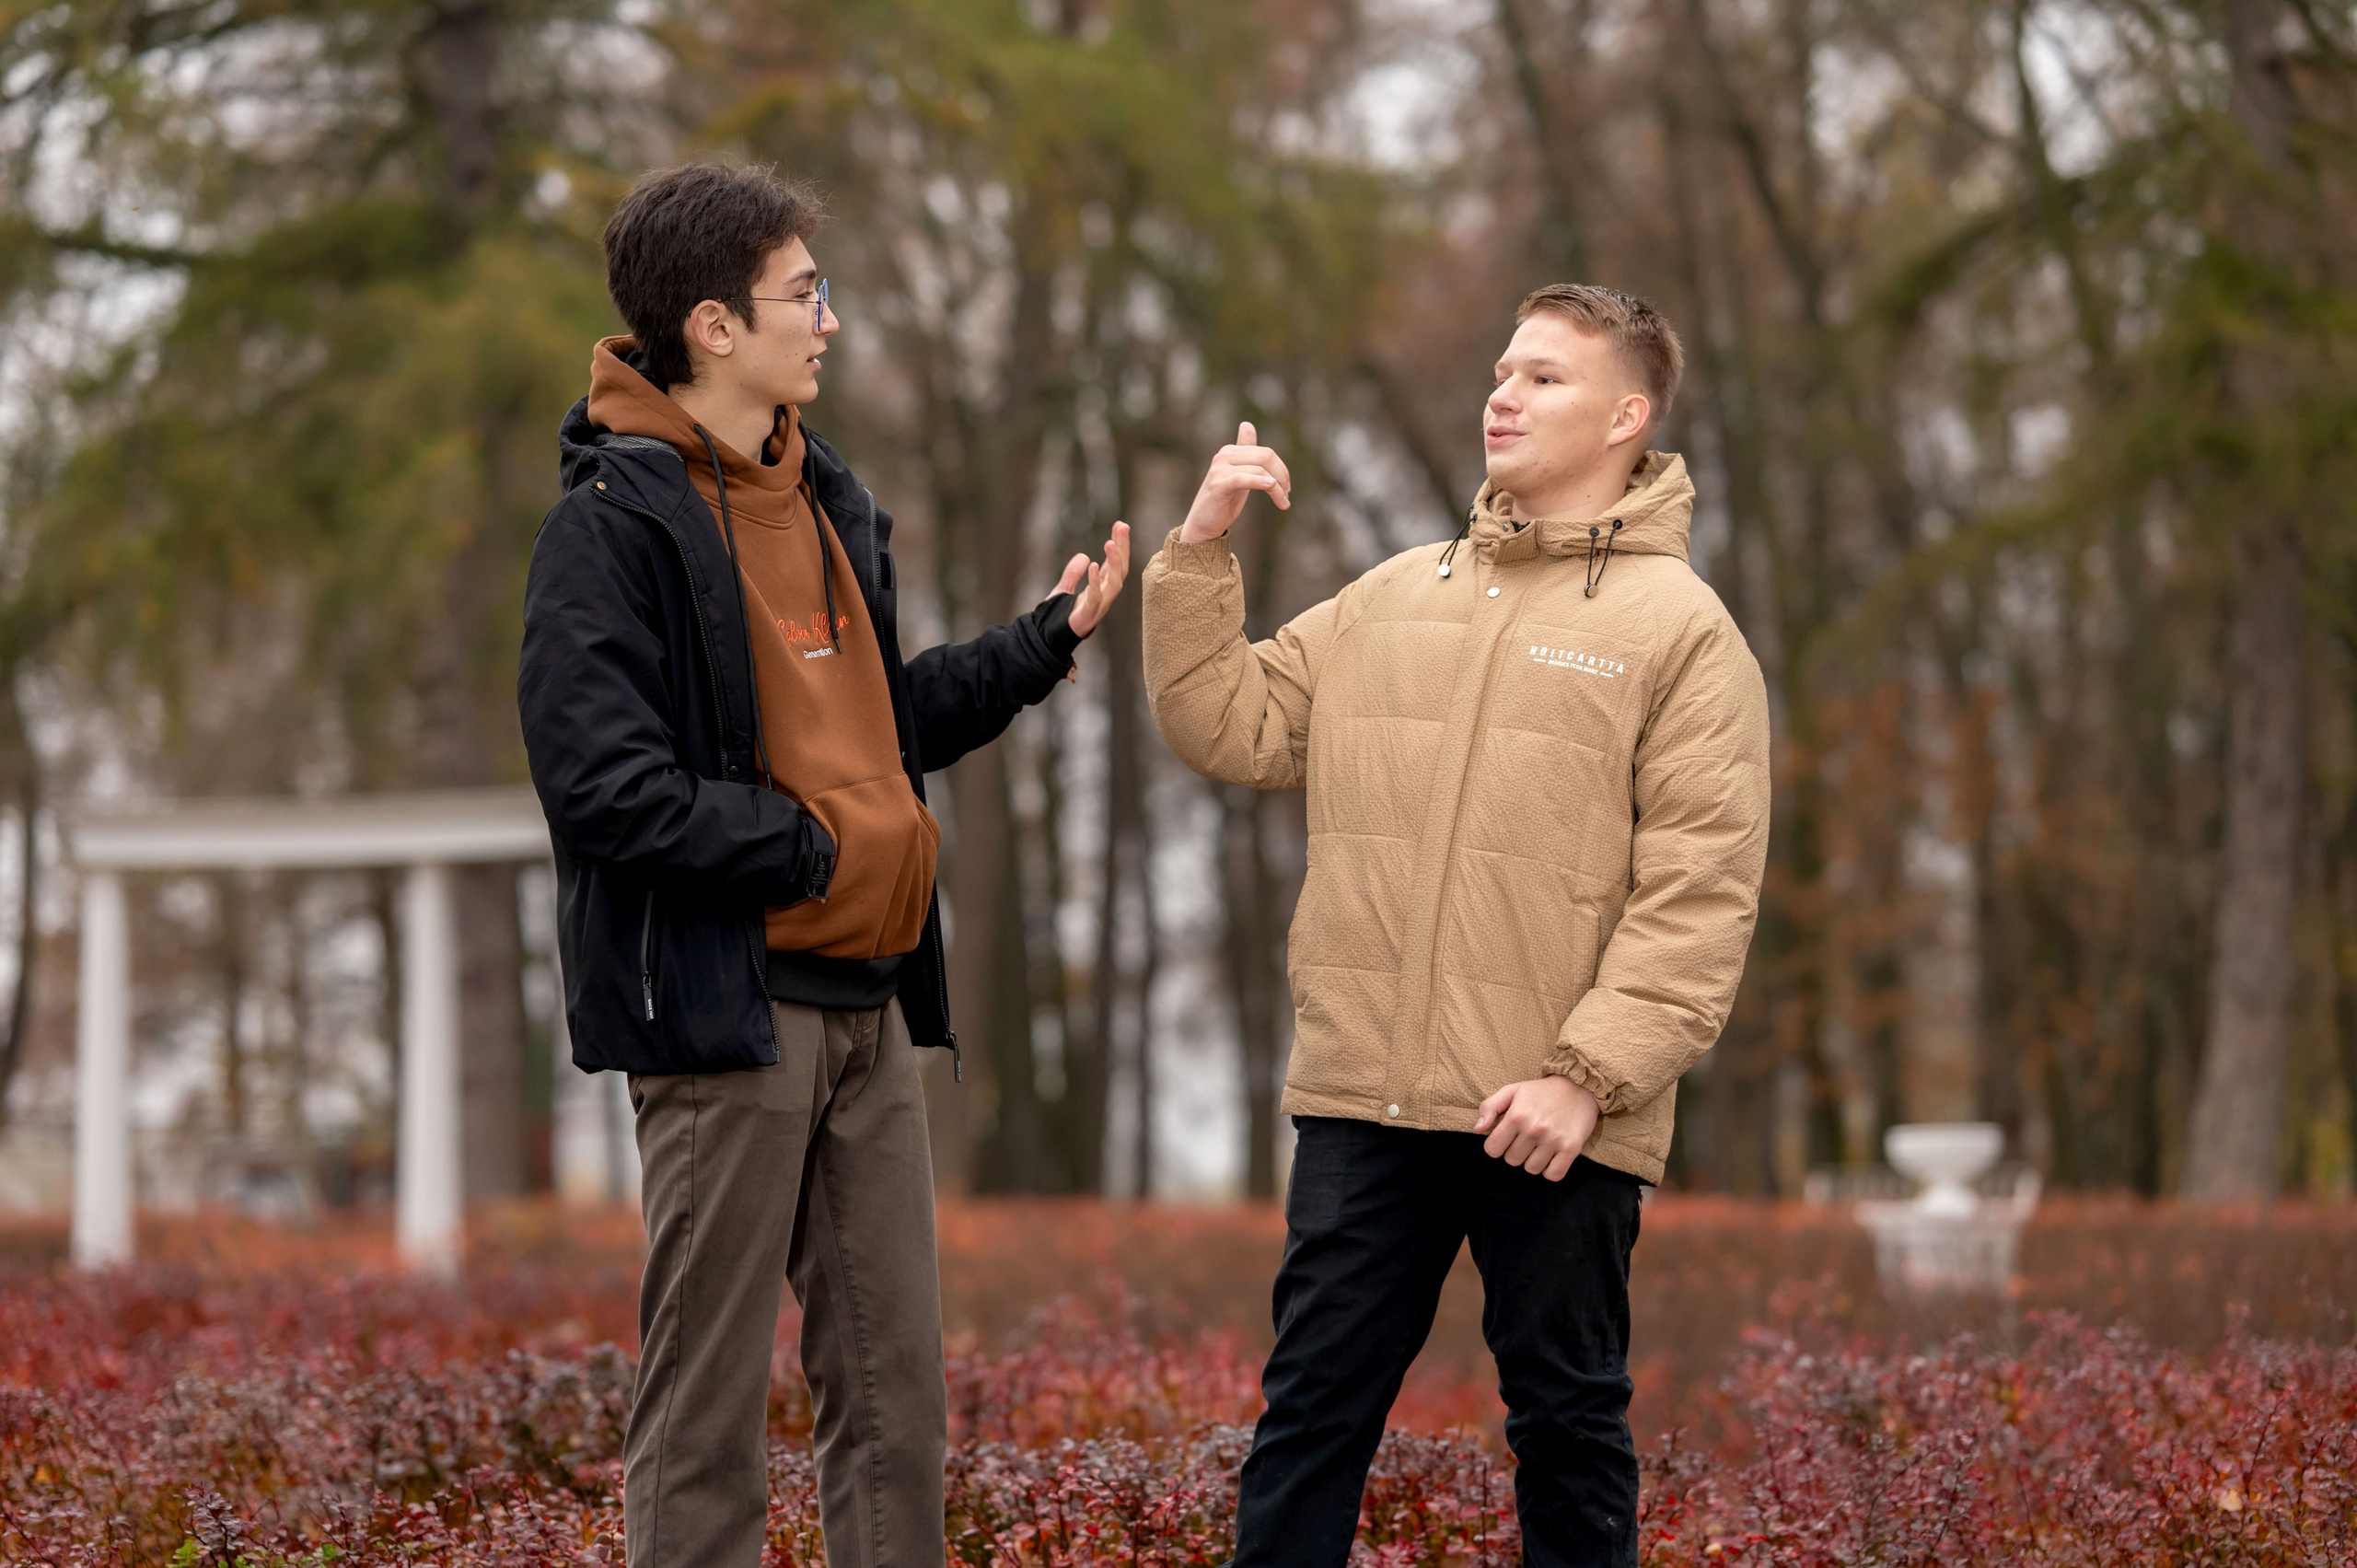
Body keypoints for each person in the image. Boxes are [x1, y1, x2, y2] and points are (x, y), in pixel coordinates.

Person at [517, 162, 1130, 1568]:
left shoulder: (831, 501)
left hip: (872, 1009)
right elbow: (603, 790)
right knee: (707, 1409)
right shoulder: (605, 534)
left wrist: (1036, 649)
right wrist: (804, 848)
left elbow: (871, 729)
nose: (831, 322)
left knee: (899, 1403)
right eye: (807, 294)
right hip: (726, 1014)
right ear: (714, 326)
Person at [1142, 284, 1770, 1566]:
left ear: (1628, 415)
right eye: (1500, 370)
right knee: (1310, 1417)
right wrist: (1201, 554)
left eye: (1544, 376)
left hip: (1553, 1116)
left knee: (1567, 1422)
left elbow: (1698, 889)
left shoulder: (1684, 634)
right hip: (1365, 1099)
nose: (1503, 393)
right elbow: (1234, 723)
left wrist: (1586, 1079)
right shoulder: (1390, 597)